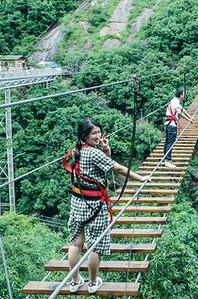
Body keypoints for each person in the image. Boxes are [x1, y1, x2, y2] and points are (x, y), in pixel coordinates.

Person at [65, 119, 150, 294]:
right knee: (94, 246)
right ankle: (93, 282)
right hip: (95, 205)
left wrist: (106, 150)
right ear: (84, 135)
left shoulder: (75, 151)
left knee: (76, 243)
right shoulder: (93, 154)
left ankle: (74, 282)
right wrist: (141, 178)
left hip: (78, 203)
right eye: (93, 133)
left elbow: (101, 166)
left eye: (98, 132)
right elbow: (117, 169)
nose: (97, 136)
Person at [163, 87, 194, 168]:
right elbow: (180, 112)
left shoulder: (174, 100)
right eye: (184, 94)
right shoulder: (176, 102)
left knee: (167, 142)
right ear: (181, 95)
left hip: (168, 124)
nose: (185, 95)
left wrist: (190, 117)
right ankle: (167, 160)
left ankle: (167, 159)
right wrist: (189, 120)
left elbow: (183, 110)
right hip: (171, 125)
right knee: (170, 142)